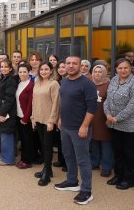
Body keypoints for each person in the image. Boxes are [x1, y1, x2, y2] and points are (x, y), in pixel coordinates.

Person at [55, 55, 97, 205]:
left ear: (80, 66)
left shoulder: (87, 84)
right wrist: (60, 118)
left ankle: (86, 191)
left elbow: (92, 108)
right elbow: (63, 102)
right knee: (68, 155)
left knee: (83, 160)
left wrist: (85, 126)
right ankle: (72, 181)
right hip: (65, 126)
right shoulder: (65, 81)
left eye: (74, 63)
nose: (71, 66)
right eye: (68, 63)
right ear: (64, 65)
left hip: (80, 129)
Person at [104, 58, 134, 190]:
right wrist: (108, 114)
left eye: (125, 68)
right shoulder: (114, 80)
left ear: (131, 68)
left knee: (130, 152)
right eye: (120, 68)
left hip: (131, 125)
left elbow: (133, 106)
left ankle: (129, 179)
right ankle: (118, 175)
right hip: (115, 123)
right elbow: (107, 100)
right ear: (116, 69)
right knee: (118, 151)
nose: (123, 70)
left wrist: (117, 118)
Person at [32, 62, 60, 186]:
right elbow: (34, 101)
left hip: (48, 120)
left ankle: (47, 174)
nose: (43, 71)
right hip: (38, 118)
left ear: (51, 71)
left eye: (46, 69)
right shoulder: (37, 83)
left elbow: (56, 103)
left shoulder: (54, 84)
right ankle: (47, 168)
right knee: (43, 145)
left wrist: (52, 120)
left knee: (48, 146)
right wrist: (33, 118)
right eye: (41, 69)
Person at [90, 64, 113, 177]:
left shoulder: (109, 85)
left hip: (104, 118)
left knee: (106, 144)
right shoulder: (90, 84)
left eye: (100, 72)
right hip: (92, 119)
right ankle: (94, 162)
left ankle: (106, 167)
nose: (97, 74)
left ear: (104, 73)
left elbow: (112, 102)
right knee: (94, 141)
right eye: (95, 72)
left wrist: (109, 117)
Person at [0, 59, 18, 166]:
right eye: (2, 66)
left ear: (11, 69)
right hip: (2, 111)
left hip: (7, 113)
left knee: (6, 136)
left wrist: (3, 113)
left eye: (6, 67)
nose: (3, 68)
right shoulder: (2, 78)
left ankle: (8, 159)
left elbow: (9, 98)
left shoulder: (11, 80)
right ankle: (6, 157)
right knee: (3, 135)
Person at [15, 65, 35, 167]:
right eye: (20, 72)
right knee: (22, 139)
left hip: (26, 118)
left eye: (24, 72)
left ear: (29, 73)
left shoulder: (31, 85)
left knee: (27, 140)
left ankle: (27, 161)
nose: (22, 74)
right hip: (18, 116)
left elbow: (31, 104)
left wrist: (25, 118)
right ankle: (23, 159)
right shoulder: (19, 84)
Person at [53, 60, 67, 171]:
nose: (61, 69)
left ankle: (67, 163)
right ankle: (61, 160)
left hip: (65, 113)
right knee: (59, 139)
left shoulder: (68, 81)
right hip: (57, 111)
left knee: (66, 140)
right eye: (59, 67)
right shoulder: (57, 80)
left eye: (63, 67)